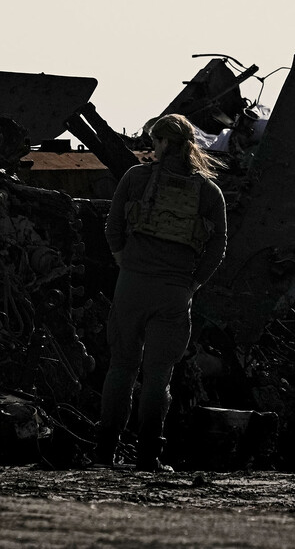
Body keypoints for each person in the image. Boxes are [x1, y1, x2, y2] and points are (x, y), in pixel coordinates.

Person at [96, 113, 228, 471]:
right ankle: (148, 456)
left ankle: (105, 453)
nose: (151, 147)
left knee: (121, 368)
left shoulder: (135, 177)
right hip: (174, 292)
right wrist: (193, 283)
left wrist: (126, 263)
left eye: (155, 140)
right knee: (158, 377)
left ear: (166, 142)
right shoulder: (209, 192)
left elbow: (113, 227)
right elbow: (218, 247)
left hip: (131, 286)